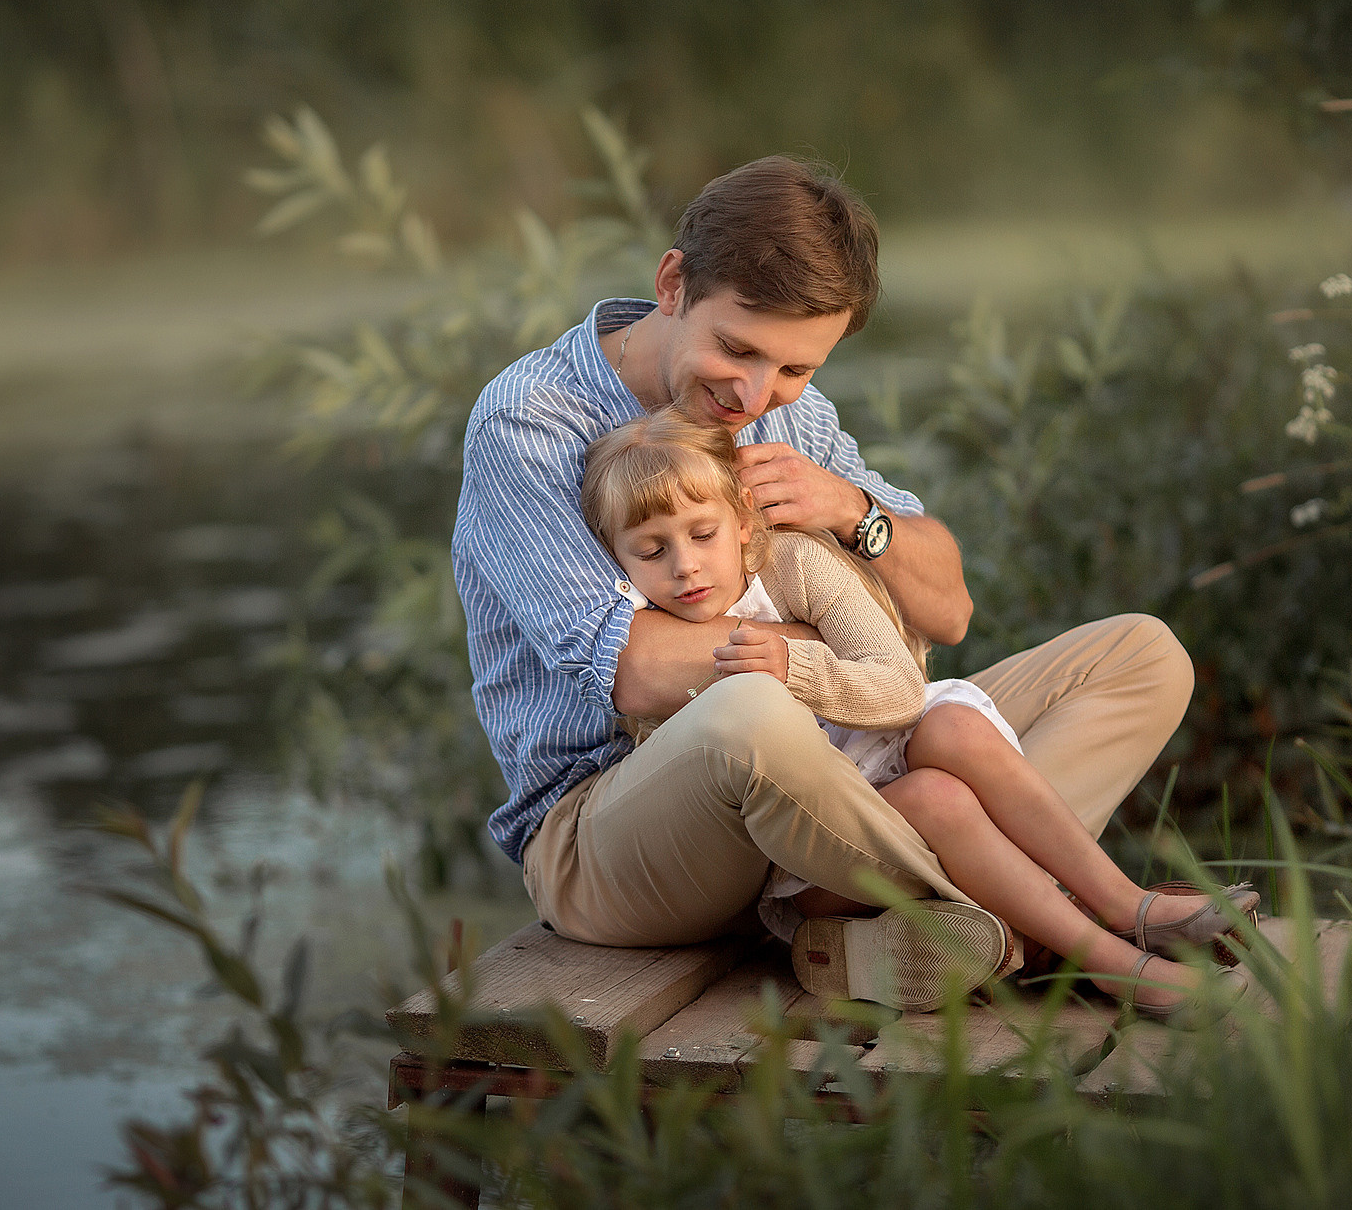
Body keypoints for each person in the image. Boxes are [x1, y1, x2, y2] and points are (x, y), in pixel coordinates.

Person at [451, 154, 1229, 1015]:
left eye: (795, 368)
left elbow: (950, 610)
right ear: (672, 284)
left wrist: (852, 509)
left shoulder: (788, 412)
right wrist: (846, 650)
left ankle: (864, 926)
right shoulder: (531, 422)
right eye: (736, 348)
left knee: (1138, 655)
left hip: (832, 771)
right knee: (749, 708)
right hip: (616, 831)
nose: (754, 393)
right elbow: (634, 669)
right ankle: (1059, 926)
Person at [578, 406, 1253, 1017]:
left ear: (744, 522)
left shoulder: (793, 561)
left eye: (702, 533)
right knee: (939, 800)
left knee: (952, 725)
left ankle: (1123, 904)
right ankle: (1112, 963)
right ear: (618, 558)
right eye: (651, 550)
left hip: (882, 760)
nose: (686, 567)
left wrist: (795, 664)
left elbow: (900, 686)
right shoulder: (639, 634)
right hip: (811, 855)